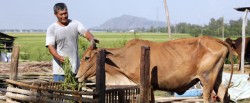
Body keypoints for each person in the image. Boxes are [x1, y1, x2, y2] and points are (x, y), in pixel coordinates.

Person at [46, 3, 98, 82]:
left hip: (75, 70)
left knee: (76, 92)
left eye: (65, 13)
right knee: (60, 93)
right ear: (55, 15)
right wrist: (58, 57)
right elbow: (50, 46)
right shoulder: (52, 28)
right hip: (60, 71)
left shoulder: (75, 24)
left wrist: (91, 39)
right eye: (61, 14)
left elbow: (85, 32)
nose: (64, 16)